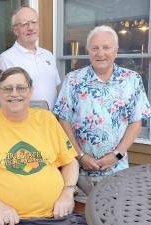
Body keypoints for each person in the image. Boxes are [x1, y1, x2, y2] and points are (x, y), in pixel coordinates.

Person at [0, 67, 87, 225]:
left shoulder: (46, 119)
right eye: (7, 88)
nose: (14, 93)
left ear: (30, 91)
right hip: (5, 219)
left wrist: (67, 192)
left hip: (55, 217)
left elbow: (70, 161)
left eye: (21, 88)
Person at [54, 25, 151, 186]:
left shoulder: (131, 80)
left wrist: (116, 155)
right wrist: (81, 155)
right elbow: (63, 120)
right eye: (95, 48)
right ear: (88, 51)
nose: (100, 53)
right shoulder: (73, 80)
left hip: (117, 169)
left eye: (106, 47)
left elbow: (136, 122)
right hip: (78, 171)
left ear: (116, 50)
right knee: (80, 210)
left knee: (115, 209)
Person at [0, 6, 61, 109]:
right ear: (15, 30)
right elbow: (4, 97)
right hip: (24, 122)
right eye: (24, 24)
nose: (30, 28)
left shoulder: (48, 55)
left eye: (33, 22)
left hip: (51, 121)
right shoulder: (5, 59)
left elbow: (55, 88)